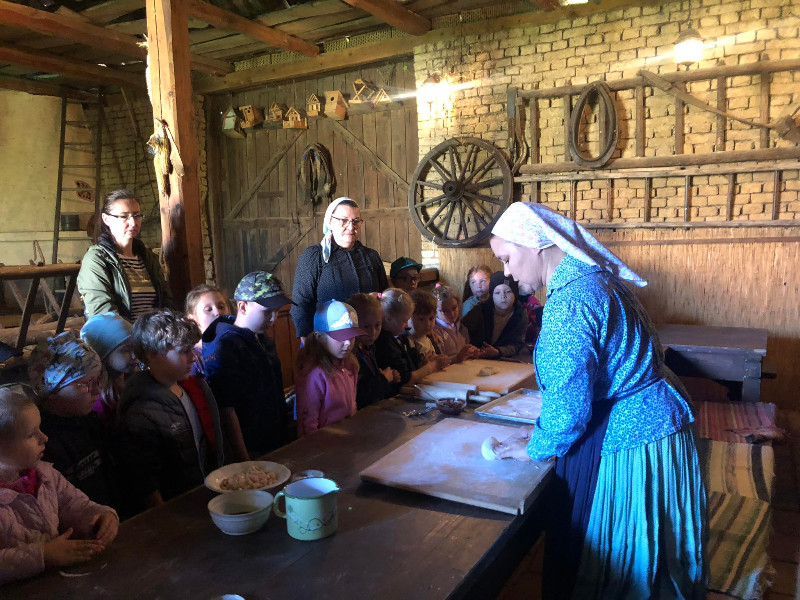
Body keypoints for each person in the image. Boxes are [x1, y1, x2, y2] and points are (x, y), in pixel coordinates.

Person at [488, 202, 705, 599]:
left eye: (506, 258)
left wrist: (535, 447)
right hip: (659, 419)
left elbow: (569, 410)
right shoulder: (593, 279)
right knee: (656, 555)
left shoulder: (570, 302)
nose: (507, 272)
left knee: (625, 560)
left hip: (636, 434)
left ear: (534, 245)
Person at [0, 387, 118, 584]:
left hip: (54, 583)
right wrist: (43, 555)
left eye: (40, 429)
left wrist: (101, 517)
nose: (44, 438)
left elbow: (74, 505)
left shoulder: (45, 475)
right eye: (31, 434)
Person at [119, 311, 223, 508]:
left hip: (204, 492)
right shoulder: (141, 408)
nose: (193, 357)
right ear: (152, 354)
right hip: (178, 505)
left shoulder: (192, 387)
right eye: (184, 351)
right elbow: (145, 478)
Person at [27, 333, 123, 512]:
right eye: (85, 383)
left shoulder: (90, 422)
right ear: (52, 390)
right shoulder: (44, 443)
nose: (97, 390)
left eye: (98, 380)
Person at [202, 272, 290, 462]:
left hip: (275, 439)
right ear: (242, 306)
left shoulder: (263, 340)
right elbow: (227, 409)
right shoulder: (226, 346)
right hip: (251, 448)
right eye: (267, 312)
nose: (274, 319)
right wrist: (244, 459)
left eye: (277, 311)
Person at [291, 197, 388, 339]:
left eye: (356, 221)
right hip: (330, 340)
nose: (351, 226)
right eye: (343, 220)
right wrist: (307, 339)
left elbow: (383, 294)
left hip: (370, 338)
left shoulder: (371, 257)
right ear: (330, 222)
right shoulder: (314, 257)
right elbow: (301, 304)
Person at [77, 189, 171, 320]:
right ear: (106, 219)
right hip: (118, 333)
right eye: (124, 216)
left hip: (153, 332)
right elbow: (104, 315)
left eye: (136, 215)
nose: (133, 222)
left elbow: (166, 302)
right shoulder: (96, 260)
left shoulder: (148, 258)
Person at [295, 301, 362, 436]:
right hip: (324, 441)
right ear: (320, 337)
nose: (348, 343)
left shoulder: (350, 364)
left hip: (347, 436)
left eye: (352, 336)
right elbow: (308, 422)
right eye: (341, 337)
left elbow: (352, 404)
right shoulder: (314, 375)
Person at [374, 288, 449, 394]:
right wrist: (433, 366)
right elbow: (406, 379)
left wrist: (422, 365)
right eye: (404, 321)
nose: (406, 326)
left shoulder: (392, 338)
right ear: (388, 318)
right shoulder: (386, 342)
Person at [80, 313, 140, 426]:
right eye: (126, 350)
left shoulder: (136, 381)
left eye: (135, 347)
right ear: (103, 354)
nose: (134, 355)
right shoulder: (96, 400)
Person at [348, 293, 399, 409]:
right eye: (366, 327)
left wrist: (390, 379)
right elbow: (359, 395)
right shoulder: (350, 355)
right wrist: (384, 379)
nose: (373, 333)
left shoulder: (368, 347)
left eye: (377, 325)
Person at [462, 272, 528, 359]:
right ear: (492, 295)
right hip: (477, 358)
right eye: (497, 293)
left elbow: (517, 344)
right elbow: (462, 330)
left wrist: (498, 351)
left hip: (505, 360)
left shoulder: (520, 314)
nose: (503, 296)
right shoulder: (481, 310)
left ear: (515, 294)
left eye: (508, 292)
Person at [432, 285, 477, 363]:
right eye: (445, 311)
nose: (452, 314)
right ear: (435, 312)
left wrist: (472, 352)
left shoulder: (462, 328)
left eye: (454, 308)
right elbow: (436, 362)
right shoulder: (434, 332)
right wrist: (456, 358)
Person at [403, 290, 448, 367]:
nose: (428, 324)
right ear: (409, 318)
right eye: (421, 319)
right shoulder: (406, 342)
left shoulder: (431, 338)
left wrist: (456, 358)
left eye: (431, 318)